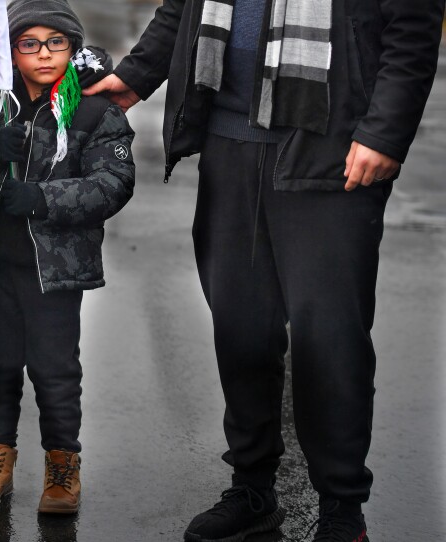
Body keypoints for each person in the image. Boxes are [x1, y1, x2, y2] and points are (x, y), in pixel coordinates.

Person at [84, 0, 444, 540]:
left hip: (332, 152)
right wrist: (135, 77)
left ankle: (342, 507)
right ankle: (252, 489)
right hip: (229, 146)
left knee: (331, 339)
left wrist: (384, 134)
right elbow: (180, 9)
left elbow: (412, 30)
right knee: (241, 326)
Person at [0, 0, 135, 515]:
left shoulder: (95, 110)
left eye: (56, 43)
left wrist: (41, 198)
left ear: (73, 47)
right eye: (29, 44)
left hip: (56, 270)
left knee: (55, 369)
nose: (43, 54)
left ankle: (62, 464)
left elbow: (113, 184)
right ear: (12, 51)